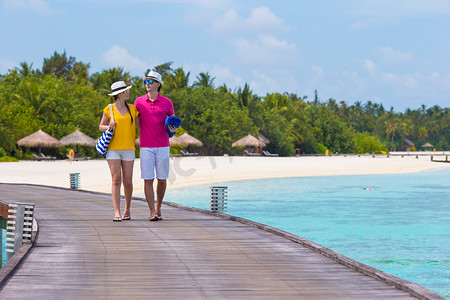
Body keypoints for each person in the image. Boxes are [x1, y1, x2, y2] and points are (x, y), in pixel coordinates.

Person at [135, 71, 178, 221]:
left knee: (162, 179)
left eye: (151, 81)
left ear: (158, 84)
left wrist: (173, 130)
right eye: (146, 80)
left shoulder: (167, 102)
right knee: (148, 179)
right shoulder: (138, 102)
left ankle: (159, 206)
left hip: (163, 145)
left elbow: (173, 123)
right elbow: (135, 121)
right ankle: (152, 211)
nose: (147, 83)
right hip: (145, 146)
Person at [99, 81, 140, 222]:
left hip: (129, 148)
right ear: (119, 94)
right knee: (116, 179)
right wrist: (108, 126)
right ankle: (117, 211)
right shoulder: (109, 109)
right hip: (113, 149)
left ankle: (127, 209)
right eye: (126, 91)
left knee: (128, 181)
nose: (128, 93)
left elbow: (142, 124)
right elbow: (100, 126)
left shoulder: (133, 109)